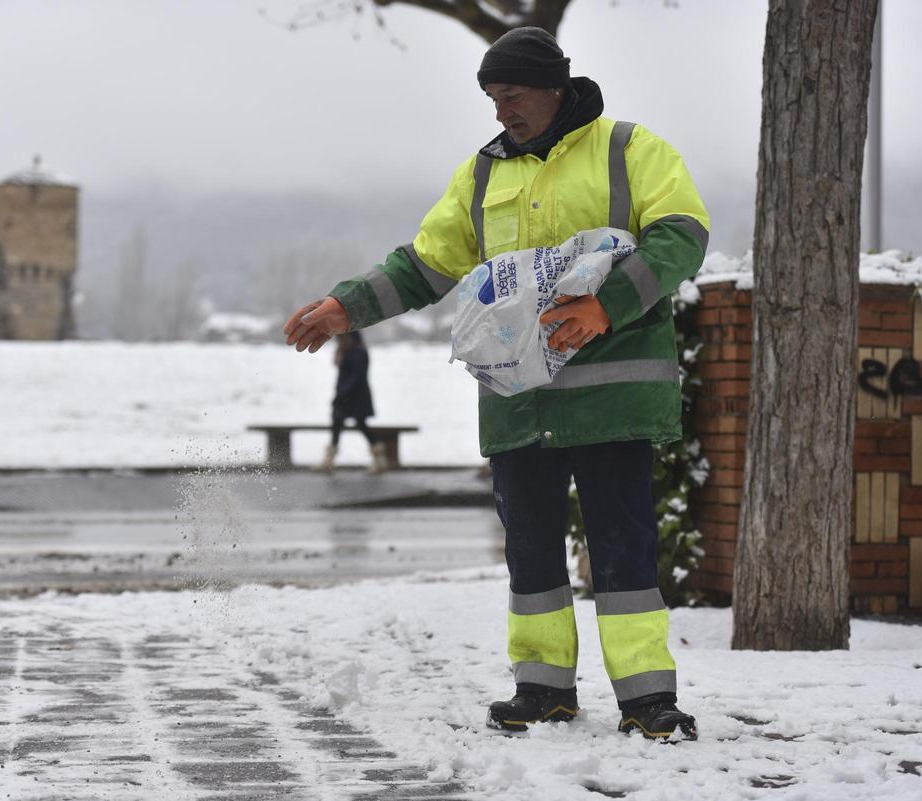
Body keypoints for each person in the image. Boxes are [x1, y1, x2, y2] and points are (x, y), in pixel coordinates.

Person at [283, 27, 707, 740]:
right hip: (519, 404)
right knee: (532, 550)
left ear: (553, 88)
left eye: (511, 97)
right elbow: (425, 264)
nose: (500, 112)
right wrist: (343, 308)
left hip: (612, 396)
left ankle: (647, 699)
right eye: (491, 99)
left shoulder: (630, 150)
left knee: (623, 547)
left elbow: (682, 234)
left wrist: (608, 304)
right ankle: (542, 688)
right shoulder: (482, 175)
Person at [318, 331, 389, 473]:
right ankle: (328, 461)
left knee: (359, 424)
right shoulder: (345, 350)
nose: (339, 341)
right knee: (338, 424)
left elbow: (358, 376)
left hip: (356, 396)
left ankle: (379, 459)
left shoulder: (358, 352)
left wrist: (342, 392)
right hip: (346, 396)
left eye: (342, 338)